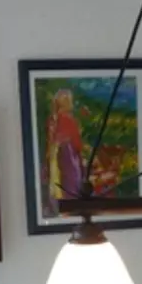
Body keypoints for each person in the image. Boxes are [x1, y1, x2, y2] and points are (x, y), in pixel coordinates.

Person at [45, 89, 83, 217]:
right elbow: (77, 144)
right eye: (70, 101)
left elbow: (50, 142)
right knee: (71, 184)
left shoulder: (52, 120)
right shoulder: (69, 120)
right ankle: (70, 212)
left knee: (57, 184)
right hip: (68, 156)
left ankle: (59, 210)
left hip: (54, 157)